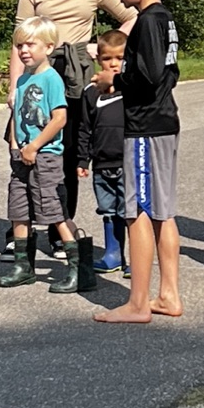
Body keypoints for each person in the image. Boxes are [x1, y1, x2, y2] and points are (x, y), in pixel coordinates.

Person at [7, 0, 137, 256]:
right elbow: (19, 41)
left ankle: (59, 226)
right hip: (38, 76)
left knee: (66, 155)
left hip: (76, 76)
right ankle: (20, 229)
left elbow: (133, 15)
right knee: (25, 149)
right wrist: (14, 87)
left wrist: (102, 46)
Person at [91, 0, 182, 324]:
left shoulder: (147, 22)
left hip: (145, 127)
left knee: (139, 212)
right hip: (165, 122)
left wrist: (115, 80)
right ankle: (168, 295)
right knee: (163, 212)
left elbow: (150, 76)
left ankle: (138, 303)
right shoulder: (165, 20)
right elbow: (170, 73)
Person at [0, 16, 94, 294]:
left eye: (30, 44)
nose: (24, 50)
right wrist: (16, 145)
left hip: (46, 156)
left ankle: (78, 268)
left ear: (49, 47)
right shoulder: (22, 80)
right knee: (18, 210)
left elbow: (59, 118)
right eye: (20, 45)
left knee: (52, 210)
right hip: (22, 157)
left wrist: (35, 146)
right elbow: (16, 116)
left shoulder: (51, 79)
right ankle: (22, 266)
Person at [77, 29, 131, 277]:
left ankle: (134, 258)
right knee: (108, 210)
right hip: (101, 163)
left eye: (119, 58)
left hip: (127, 161)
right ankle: (113, 254)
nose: (113, 63)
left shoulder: (130, 91)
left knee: (130, 210)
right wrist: (82, 159)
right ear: (98, 59)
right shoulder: (91, 93)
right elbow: (84, 128)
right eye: (108, 58)